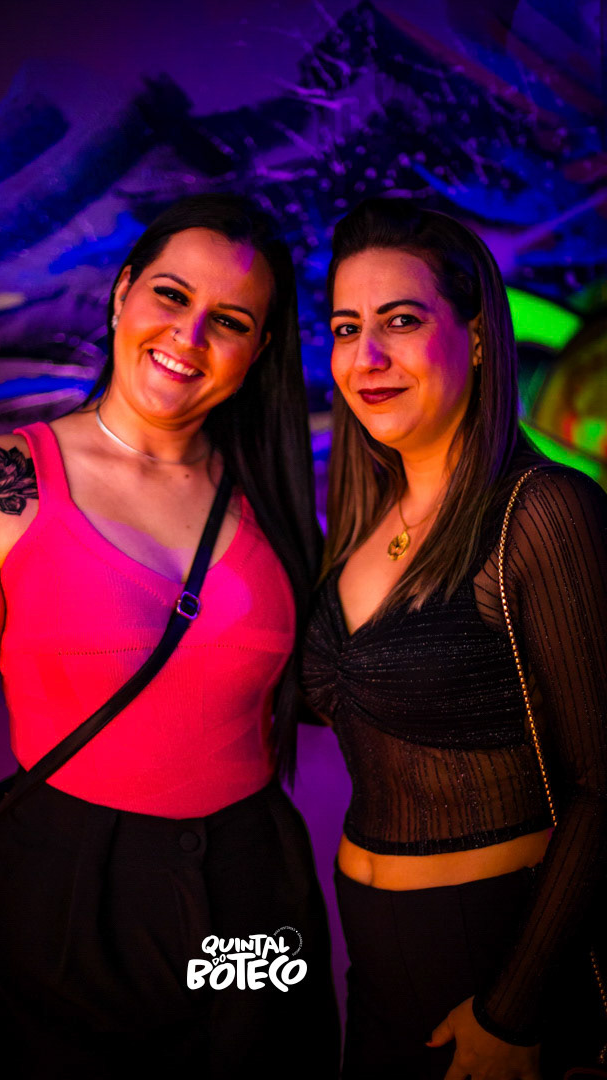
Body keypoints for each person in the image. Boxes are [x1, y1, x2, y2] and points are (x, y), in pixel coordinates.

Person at [0, 194, 340, 1080]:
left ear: (258, 351)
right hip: (71, 897)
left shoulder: (278, 499)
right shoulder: (3, 483)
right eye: (171, 295)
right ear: (123, 292)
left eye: (231, 321)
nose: (189, 335)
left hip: (255, 897)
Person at [301, 197, 607, 1079]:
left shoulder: (543, 512)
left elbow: (603, 783)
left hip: (502, 961)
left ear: (475, 338)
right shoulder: (359, 526)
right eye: (347, 328)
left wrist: (514, 1010)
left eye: (401, 321)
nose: (367, 357)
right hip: (372, 966)